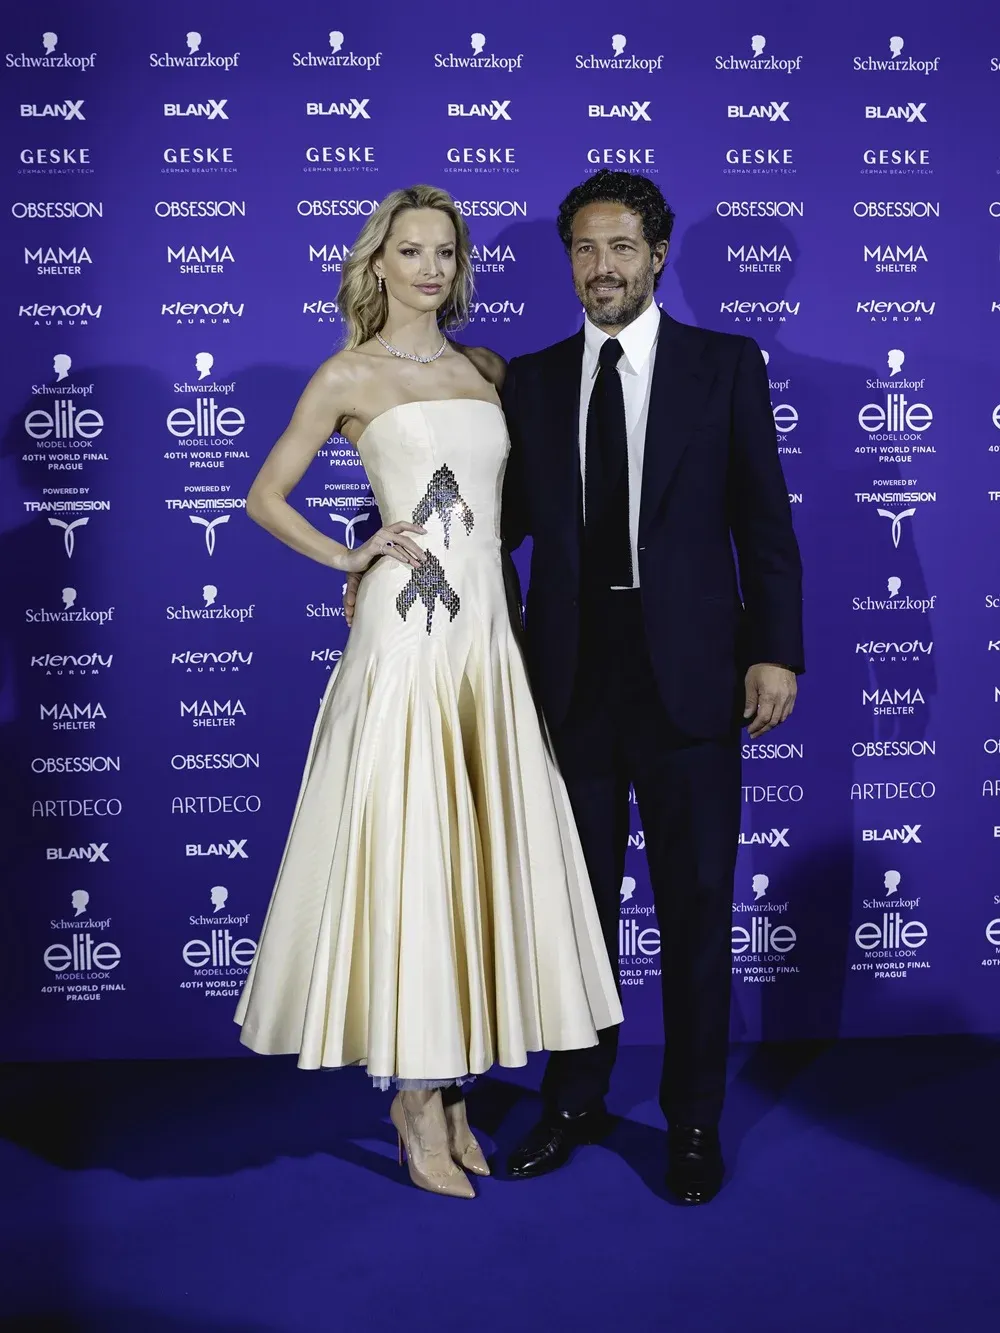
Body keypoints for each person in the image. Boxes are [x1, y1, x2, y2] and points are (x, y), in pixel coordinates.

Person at [234, 184, 622, 1201]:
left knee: (471, 858)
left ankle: (450, 1088)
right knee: (413, 852)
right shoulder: (346, 374)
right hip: (409, 640)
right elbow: (264, 495)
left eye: (445, 252)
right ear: (378, 263)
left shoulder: (486, 370)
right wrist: (350, 557)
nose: (431, 268)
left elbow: (503, 507)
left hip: (487, 639)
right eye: (410, 251)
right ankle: (414, 1097)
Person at [467, 168, 802, 1203]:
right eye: (584, 249)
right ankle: (573, 1098)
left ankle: (692, 1119)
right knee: (574, 910)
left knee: (697, 906)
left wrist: (776, 650)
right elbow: (492, 524)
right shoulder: (530, 381)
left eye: (620, 247)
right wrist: (388, 555)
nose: (602, 267)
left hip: (694, 677)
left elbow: (764, 521)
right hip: (570, 678)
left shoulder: (723, 365)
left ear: (657, 256)